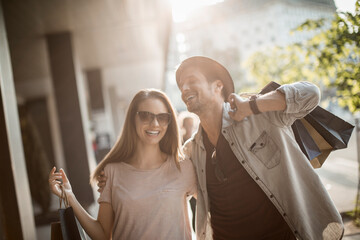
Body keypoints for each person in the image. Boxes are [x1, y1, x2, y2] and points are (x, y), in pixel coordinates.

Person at [174, 56, 344, 240]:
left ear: (218, 86)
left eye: (191, 81)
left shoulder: (260, 116)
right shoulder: (191, 151)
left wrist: (251, 106)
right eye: (181, 85)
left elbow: (311, 93)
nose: (184, 89)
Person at [49, 89, 197, 240]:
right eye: (146, 116)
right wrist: (70, 197)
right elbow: (102, 235)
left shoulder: (183, 167)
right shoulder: (112, 172)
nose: (155, 123)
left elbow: (213, 209)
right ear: (133, 119)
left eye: (163, 117)